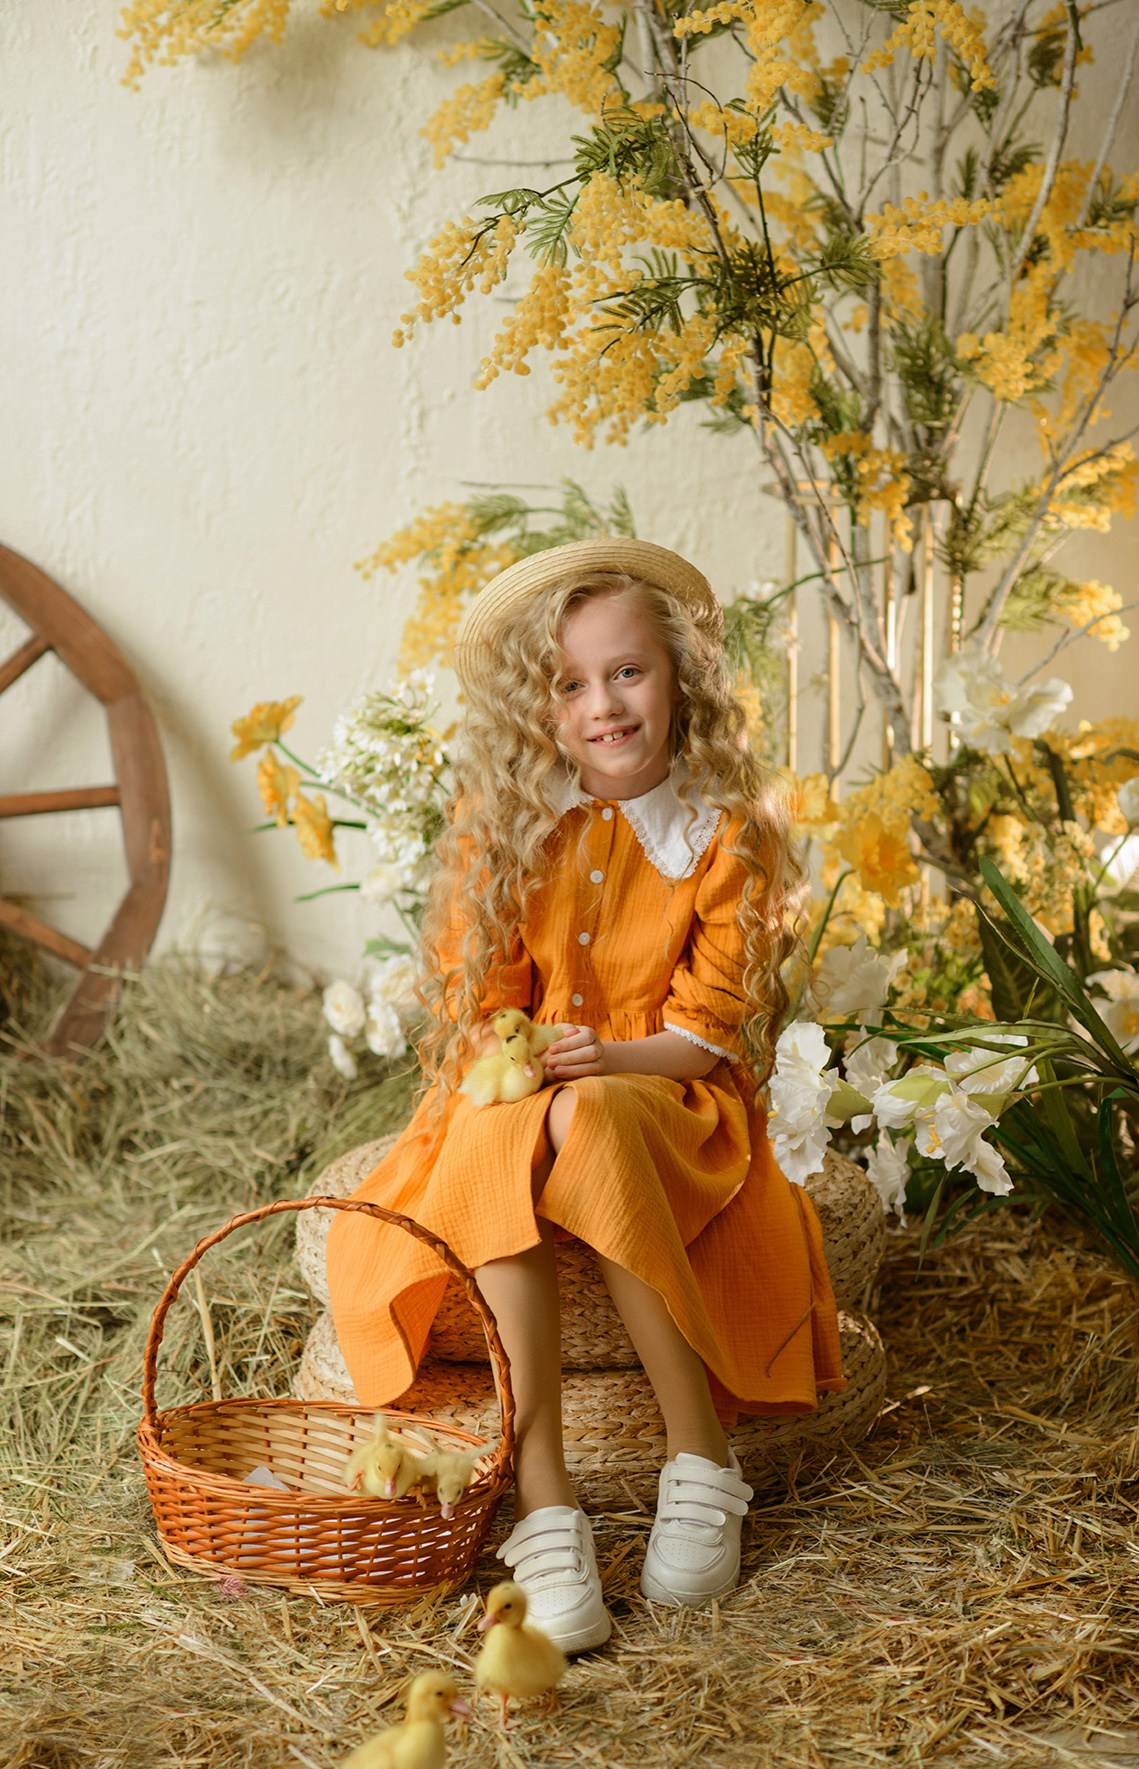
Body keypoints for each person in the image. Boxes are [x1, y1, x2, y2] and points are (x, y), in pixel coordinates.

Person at [326, 537, 843, 1653]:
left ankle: (697, 1454)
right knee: (514, 1119)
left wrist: (601, 1065)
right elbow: (481, 1011)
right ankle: (543, 1493)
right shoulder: (508, 825)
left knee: (591, 1111)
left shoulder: (721, 833)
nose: (603, 704)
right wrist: (528, 1058)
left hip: (666, 1096)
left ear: (678, 678)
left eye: (627, 672)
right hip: (519, 1089)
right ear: (541, 704)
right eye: (570, 683)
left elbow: (702, 1039)